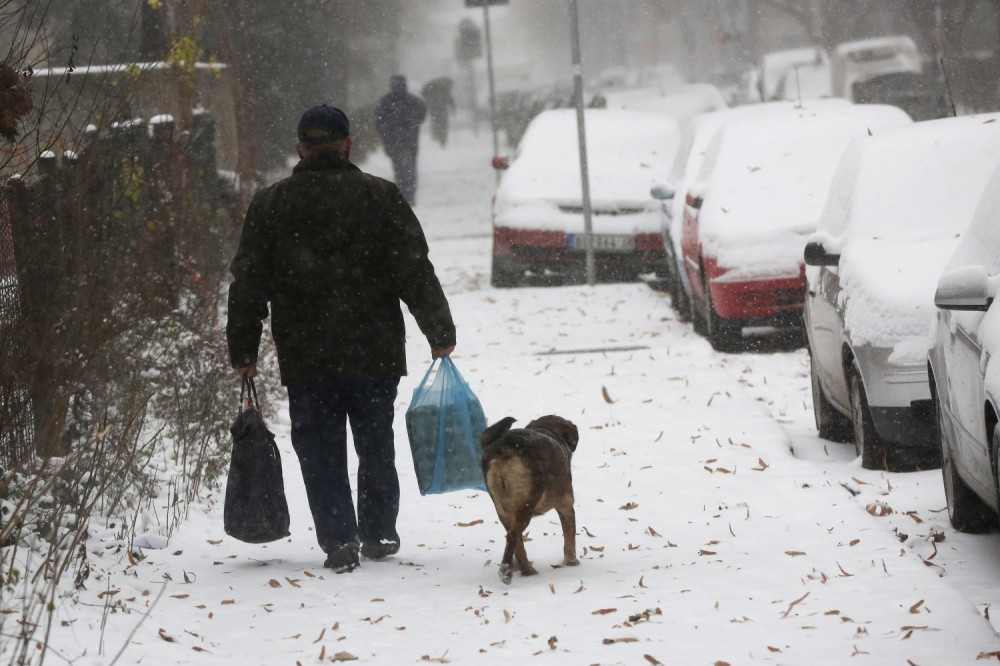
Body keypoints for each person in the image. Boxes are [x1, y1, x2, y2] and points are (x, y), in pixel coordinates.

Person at [226, 104, 456, 574]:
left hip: (306, 353)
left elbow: (248, 281)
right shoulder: (380, 197)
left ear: (299, 148)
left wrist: (244, 349)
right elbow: (414, 269)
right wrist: (439, 330)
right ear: (347, 145)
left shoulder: (271, 204)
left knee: (320, 449)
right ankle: (378, 530)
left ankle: (338, 539)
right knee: (375, 443)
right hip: (373, 349)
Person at [374, 75, 427, 205]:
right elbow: (422, 112)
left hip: (396, 141)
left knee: (400, 168)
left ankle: (405, 194)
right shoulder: (411, 101)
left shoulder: (386, 102)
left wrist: (387, 131)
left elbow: (379, 121)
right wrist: (413, 124)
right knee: (408, 168)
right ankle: (408, 194)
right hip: (407, 140)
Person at [420, 77, 456, 148]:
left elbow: (425, 98)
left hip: (433, 109)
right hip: (442, 110)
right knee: (443, 124)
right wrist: (453, 107)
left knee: (435, 122)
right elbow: (449, 99)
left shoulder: (431, 90)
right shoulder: (444, 90)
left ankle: (436, 137)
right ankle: (442, 140)